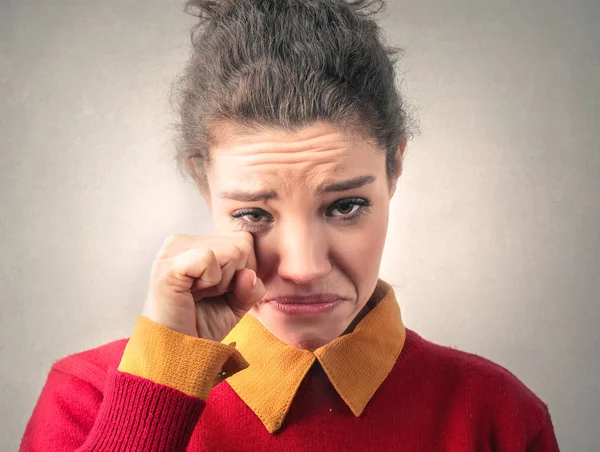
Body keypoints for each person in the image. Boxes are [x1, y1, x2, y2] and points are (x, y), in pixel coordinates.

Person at [20, 0, 560, 450]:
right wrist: (161, 386)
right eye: (253, 214)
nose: (303, 269)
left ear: (393, 168)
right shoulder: (85, 401)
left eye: (345, 206)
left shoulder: (501, 417)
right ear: (203, 182)